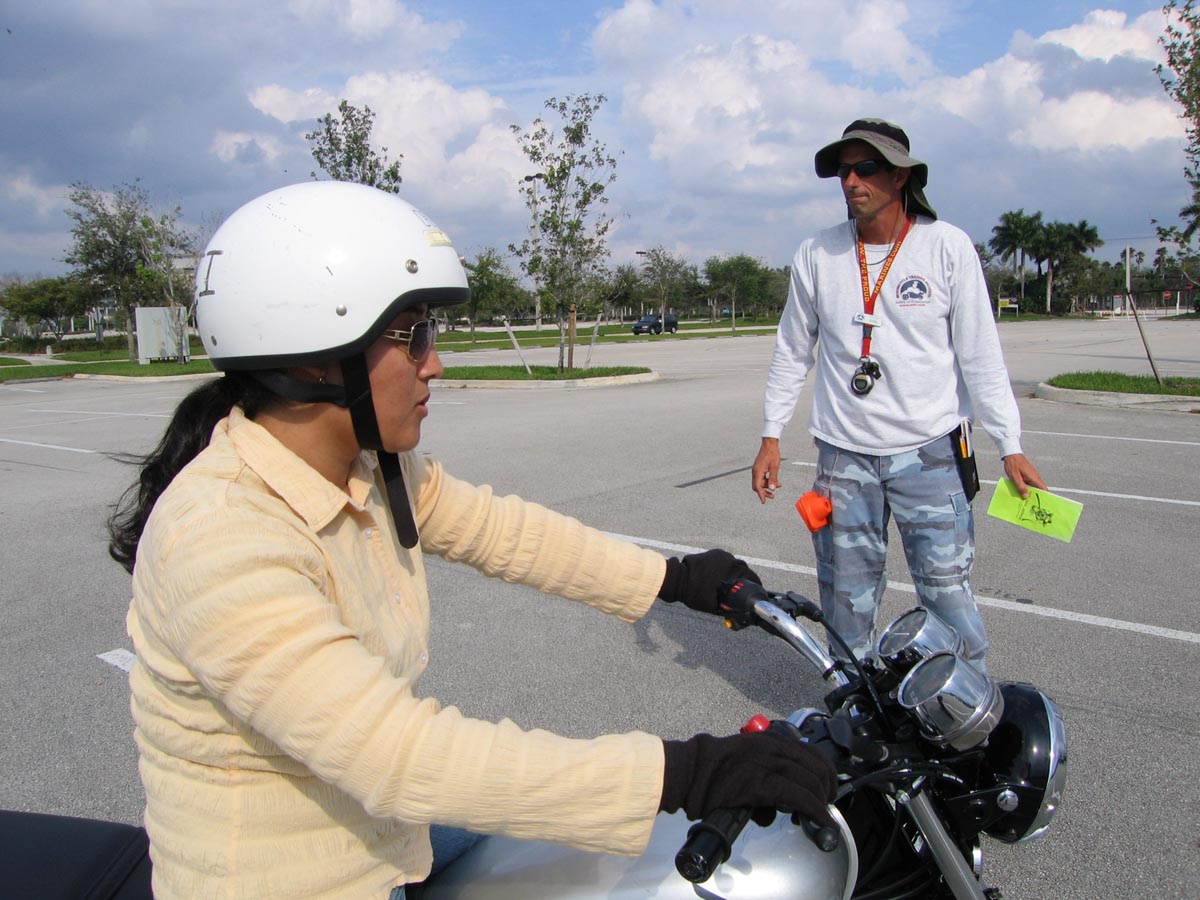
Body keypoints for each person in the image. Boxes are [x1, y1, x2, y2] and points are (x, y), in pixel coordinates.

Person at [108, 181, 836, 900]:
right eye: (413, 336)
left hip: (384, 836)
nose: (435, 364)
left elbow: (506, 533)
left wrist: (673, 579)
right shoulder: (221, 536)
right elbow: (396, 753)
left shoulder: (369, 468)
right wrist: (681, 775)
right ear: (312, 357)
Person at [750, 118, 1046, 670]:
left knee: (947, 593)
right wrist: (771, 435)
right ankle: (853, 702)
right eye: (843, 171)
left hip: (930, 453)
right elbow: (792, 350)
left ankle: (966, 705)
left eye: (866, 168)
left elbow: (981, 355)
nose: (851, 181)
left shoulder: (946, 247)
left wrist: (1010, 444)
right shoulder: (817, 253)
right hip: (843, 456)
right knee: (845, 597)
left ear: (901, 175)